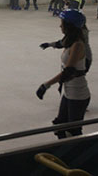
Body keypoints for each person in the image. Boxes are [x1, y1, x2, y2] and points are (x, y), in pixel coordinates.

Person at [36, 9, 90, 139]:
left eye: (62, 23)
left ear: (69, 26)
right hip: (68, 92)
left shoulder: (77, 45)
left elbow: (68, 72)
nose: (60, 25)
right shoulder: (70, 39)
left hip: (78, 94)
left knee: (73, 131)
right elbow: (61, 43)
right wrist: (49, 44)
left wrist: (46, 85)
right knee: (61, 127)